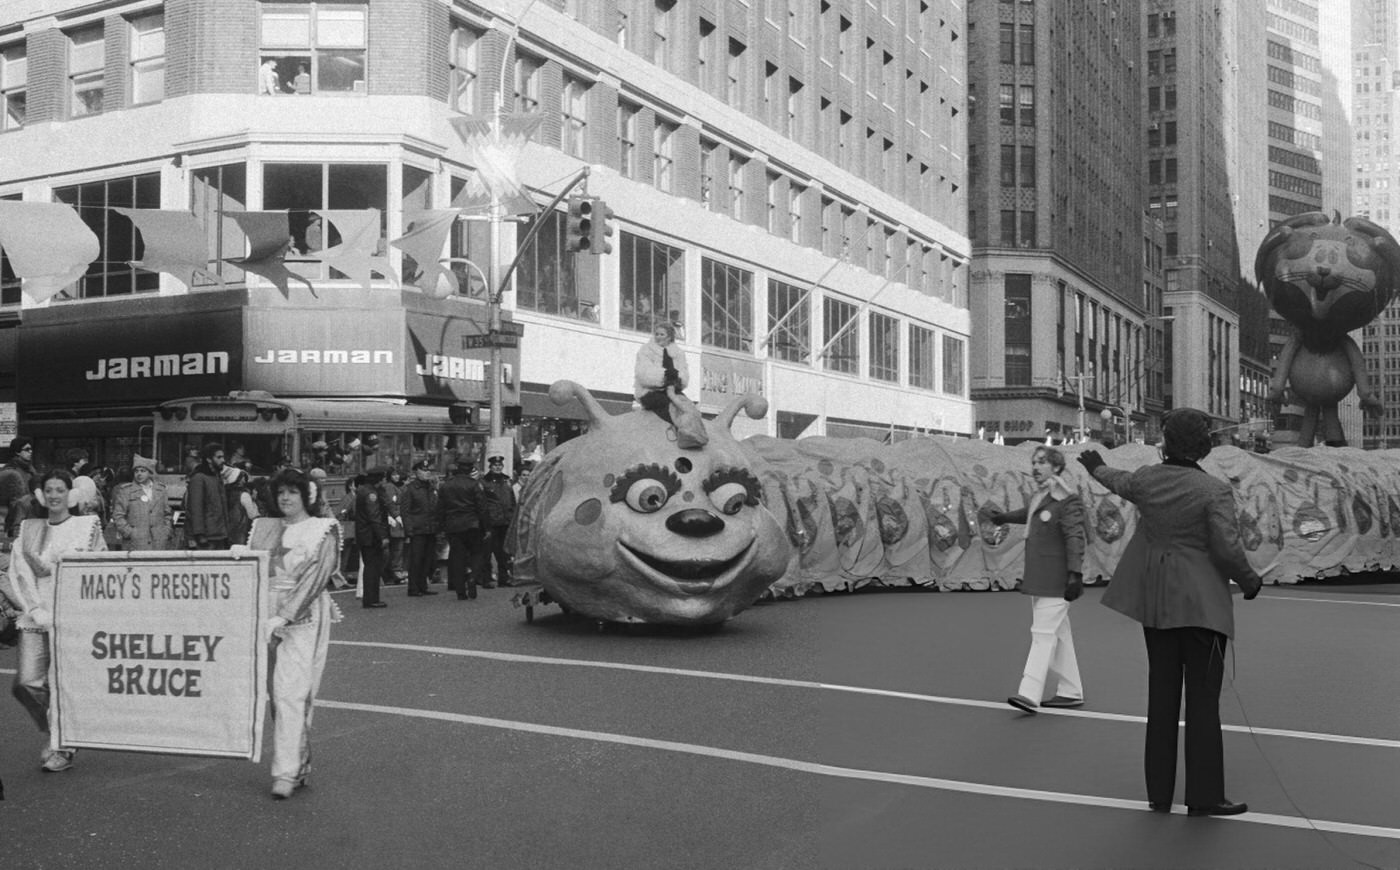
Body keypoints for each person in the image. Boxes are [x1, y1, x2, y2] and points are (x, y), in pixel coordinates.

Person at [1078, 407, 1263, 817]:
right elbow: (1227, 550)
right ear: (1204, 445)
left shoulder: (1147, 480)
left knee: (1161, 698)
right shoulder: (1213, 490)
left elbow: (1118, 481)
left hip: (1157, 600)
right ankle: (1204, 795)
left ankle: (1158, 793)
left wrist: (1096, 467)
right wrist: (1250, 581)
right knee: (1202, 701)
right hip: (1199, 602)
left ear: (1165, 442)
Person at [246, 468, 341, 799]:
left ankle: (285, 772)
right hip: (265, 617)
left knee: (291, 691)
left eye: (292, 492)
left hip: (303, 618)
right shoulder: (263, 527)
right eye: (280, 492)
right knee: (276, 692)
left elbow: (316, 579)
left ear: (307, 496)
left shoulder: (322, 530)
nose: (285, 498)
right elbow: (252, 569)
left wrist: (285, 616)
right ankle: (296, 764)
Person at [8, 469, 106, 773]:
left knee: (65, 684)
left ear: (70, 495)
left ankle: (62, 745)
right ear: (40, 495)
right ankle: (59, 731)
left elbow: (99, 568)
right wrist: (34, 608)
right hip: (36, 616)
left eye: (59, 490)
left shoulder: (86, 527)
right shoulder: (29, 529)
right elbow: (19, 573)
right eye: (48, 490)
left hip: (71, 617)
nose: (53, 495)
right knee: (26, 683)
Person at [980, 446, 1086, 714]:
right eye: (1034, 462)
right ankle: (1071, 691)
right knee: (1060, 636)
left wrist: (1075, 573)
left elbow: (1075, 536)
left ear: (1057, 468)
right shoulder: (1044, 497)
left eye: (1042, 462)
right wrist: (1003, 517)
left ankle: (1029, 693)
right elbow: (1030, 513)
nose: (1036, 467)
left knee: (1042, 634)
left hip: (1056, 579)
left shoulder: (1067, 500)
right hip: (1041, 577)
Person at [634, 323, 708, 449]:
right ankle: (680, 433)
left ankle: (694, 434)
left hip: (672, 390)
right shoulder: (646, 350)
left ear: (669, 337)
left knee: (688, 406)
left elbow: (684, 375)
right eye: (656, 334)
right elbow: (643, 373)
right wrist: (665, 375)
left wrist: (677, 378)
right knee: (671, 405)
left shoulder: (678, 353)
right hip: (650, 391)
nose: (658, 337)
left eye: (661, 334)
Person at [436, 461, 486, 600]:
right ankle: (472, 577)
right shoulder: (474, 484)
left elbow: (440, 508)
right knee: (477, 553)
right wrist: (486, 527)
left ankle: (460, 590)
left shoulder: (446, 485)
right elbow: (482, 507)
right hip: (472, 524)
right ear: (470, 470)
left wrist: (440, 526)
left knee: (457, 557)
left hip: (453, 525)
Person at [109, 455, 173, 551]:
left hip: (158, 542)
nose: (139, 474)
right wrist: (130, 532)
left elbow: (167, 513)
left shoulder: (161, 490)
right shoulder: (126, 491)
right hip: (135, 543)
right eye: (136, 471)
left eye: (143, 471)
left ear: (150, 473)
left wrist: (166, 531)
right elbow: (118, 516)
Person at [354, 467, 391, 609]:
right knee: (372, 568)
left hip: (365, 535)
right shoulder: (371, 494)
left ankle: (371, 598)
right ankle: (371, 599)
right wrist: (383, 536)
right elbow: (374, 517)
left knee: (371, 566)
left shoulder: (365, 490)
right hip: (371, 536)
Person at [401, 460, 439, 597]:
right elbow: (405, 511)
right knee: (416, 560)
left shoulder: (431, 487)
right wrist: (409, 530)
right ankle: (413, 588)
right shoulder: (410, 489)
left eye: (428, 470)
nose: (427, 472)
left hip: (430, 528)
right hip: (417, 529)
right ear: (416, 472)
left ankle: (423, 585)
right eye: (423, 470)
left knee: (427, 559)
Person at [185, 443, 231, 549]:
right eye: (219, 457)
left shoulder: (217, 477)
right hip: (207, 537)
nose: (223, 460)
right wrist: (199, 535)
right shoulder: (198, 478)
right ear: (209, 459)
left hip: (220, 535)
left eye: (223, 457)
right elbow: (196, 509)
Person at [481, 454, 516, 588]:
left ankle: (504, 578)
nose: (497, 467)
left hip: (505, 521)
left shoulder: (507, 481)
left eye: (500, 465)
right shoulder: (484, 481)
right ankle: (486, 578)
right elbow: (482, 503)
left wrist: (512, 516)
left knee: (504, 553)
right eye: (495, 465)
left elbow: (511, 501)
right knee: (487, 552)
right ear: (490, 466)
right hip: (491, 522)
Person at [0, 436, 37, 539]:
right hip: (18, 520)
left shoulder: (30, 469)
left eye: (31, 449)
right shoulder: (12, 472)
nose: (31, 452)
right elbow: (15, 503)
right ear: (17, 452)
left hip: (31, 517)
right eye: (27, 449)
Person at [379, 467, 407, 584]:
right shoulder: (390, 487)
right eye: (394, 474)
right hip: (395, 521)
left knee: (395, 548)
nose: (396, 477)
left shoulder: (391, 487)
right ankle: (395, 571)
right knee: (397, 547)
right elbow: (391, 503)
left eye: (397, 474)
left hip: (395, 520)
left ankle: (392, 572)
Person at [66, 448, 103, 519]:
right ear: (75, 462)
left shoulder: (77, 476)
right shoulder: (69, 478)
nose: (87, 463)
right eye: (84, 460)